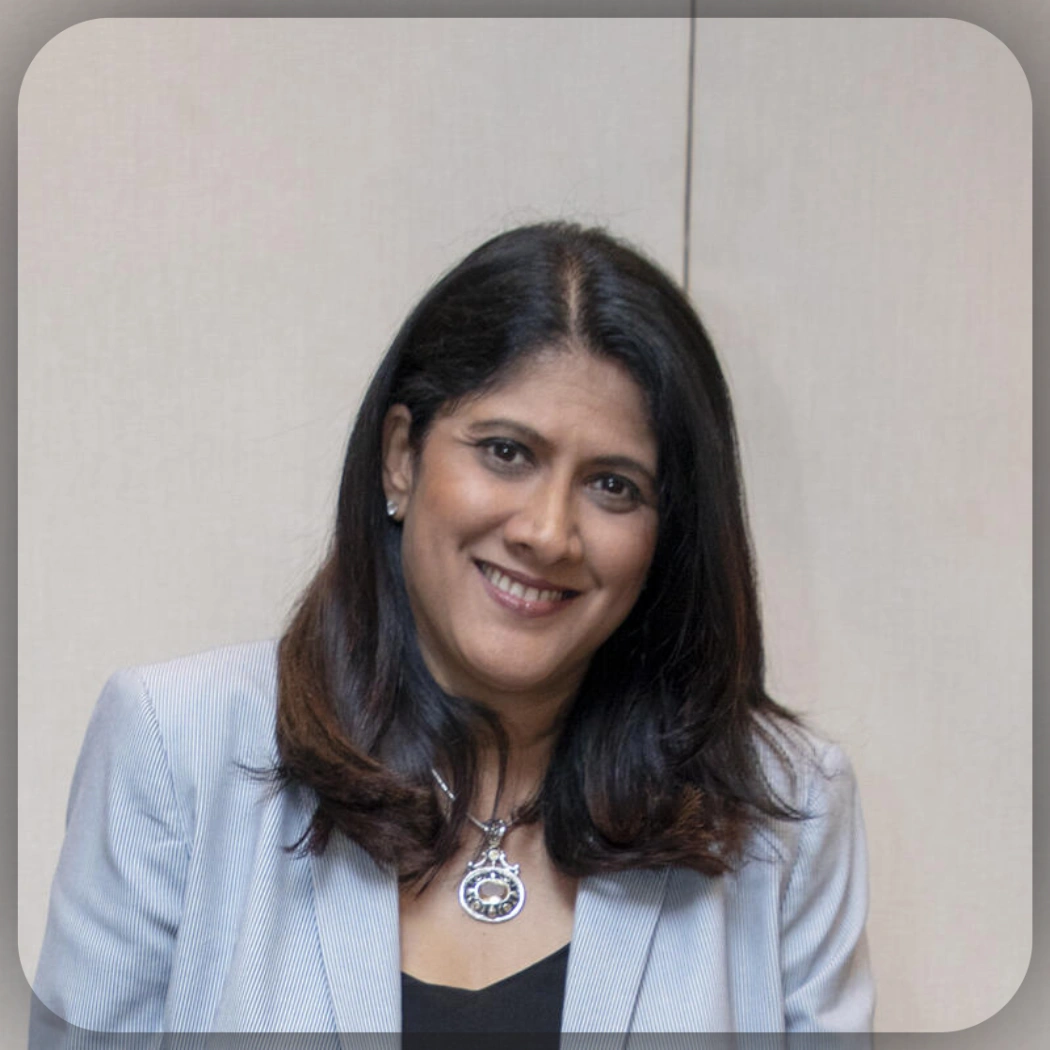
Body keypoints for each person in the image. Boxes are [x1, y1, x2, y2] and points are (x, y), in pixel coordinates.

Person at [30, 223, 874, 1043]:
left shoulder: (787, 813)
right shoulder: (175, 747)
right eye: (506, 452)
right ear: (402, 456)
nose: (548, 533)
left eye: (613, 486)